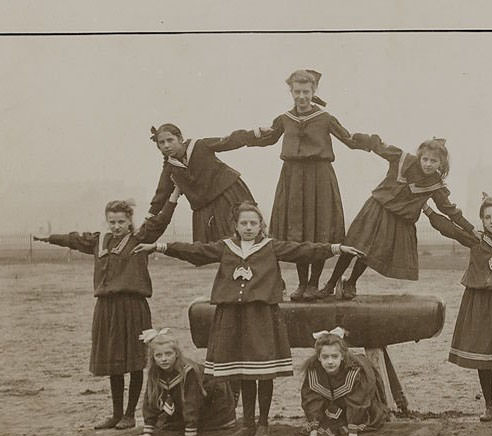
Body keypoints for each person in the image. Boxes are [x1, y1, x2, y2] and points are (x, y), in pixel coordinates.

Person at [136, 202, 350, 436]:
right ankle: (247, 423)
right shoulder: (225, 247)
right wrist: (161, 246)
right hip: (232, 318)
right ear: (236, 226)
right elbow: (196, 251)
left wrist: (336, 248)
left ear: (261, 226)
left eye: (253, 223)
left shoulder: (271, 246)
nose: (249, 227)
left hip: (261, 316)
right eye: (244, 223)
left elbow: (303, 250)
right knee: (243, 370)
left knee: (263, 371)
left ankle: (263, 424)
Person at [34, 189, 179, 429]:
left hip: (133, 307)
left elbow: (160, 221)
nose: (116, 226)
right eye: (112, 222)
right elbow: (74, 239)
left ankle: (130, 414)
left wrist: (174, 197)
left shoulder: (140, 238)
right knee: (114, 362)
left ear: (130, 221)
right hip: (106, 309)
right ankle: (116, 414)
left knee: (133, 362)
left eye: (121, 221)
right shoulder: (99, 240)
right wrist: (48, 237)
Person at [238, 69, 369, 301]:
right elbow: (268, 139)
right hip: (293, 178)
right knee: (297, 231)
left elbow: (349, 140)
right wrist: (248, 136)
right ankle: (301, 284)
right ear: (291, 91)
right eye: (297, 92)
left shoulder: (326, 118)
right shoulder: (284, 119)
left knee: (318, 229)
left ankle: (313, 284)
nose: (301, 97)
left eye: (306, 92)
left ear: (314, 91)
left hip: (320, 178)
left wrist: (375, 144)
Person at [322, 135, 473, 299]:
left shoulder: (435, 184)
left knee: (370, 253)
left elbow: (449, 210)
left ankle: (351, 282)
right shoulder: (403, 159)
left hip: (396, 219)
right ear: (419, 156)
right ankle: (330, 283)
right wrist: (357, 138)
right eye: (425, 159)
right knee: (355, 244)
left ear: (441, 164)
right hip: (376, 208)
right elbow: (378, 146)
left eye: (434, 161)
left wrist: (471, 229)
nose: (428, 164)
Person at [424, 192, 492, 422]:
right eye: (487, 217)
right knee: (482, 355)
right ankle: (488, 405)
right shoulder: (475, 239)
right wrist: (428, 210)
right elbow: (449, 229)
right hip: (477, 301)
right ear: (482, 220)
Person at [146, 123, 259, 242]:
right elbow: (161, 194)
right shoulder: (170, 168)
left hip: (228, 195)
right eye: (162, 143)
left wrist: (256, 133)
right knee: (210, 249)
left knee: (241, 235)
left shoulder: (200, 145)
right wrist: (149, 217)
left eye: (170, 140)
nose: (166, 145)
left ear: (180, 139)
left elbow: (228, 141)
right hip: (204, 207)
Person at [132, 328, 236, 436]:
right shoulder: (155, 372)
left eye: (168, 354)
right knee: (165, 423)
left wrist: (189, 434)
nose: (164, 359)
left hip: (213, 406)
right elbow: (150, 399)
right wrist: (148, 431)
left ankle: (193, 425)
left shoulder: (188, 371)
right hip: (187, 405)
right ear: (153, 358)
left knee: (178, 423)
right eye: (158, 355)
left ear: (177, 354)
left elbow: (191, 401)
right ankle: (185, 421)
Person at [296, 328, 390, 436]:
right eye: (325, 357)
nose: (330, 361)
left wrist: (352, 435)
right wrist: (313, 433)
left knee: (367, 421)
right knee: (326, 427)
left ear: (342, 356)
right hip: (333, 407)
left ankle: (350, 424)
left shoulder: (355, 373)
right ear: (319, 357)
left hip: (357, 408)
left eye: (334, 356)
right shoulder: (314, 371)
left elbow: (357, 402)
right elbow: (311, 401)